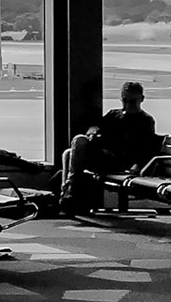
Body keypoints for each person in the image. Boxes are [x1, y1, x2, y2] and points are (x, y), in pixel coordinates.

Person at [59, 80, 162, 212]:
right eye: (124, 100)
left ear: (141, 99)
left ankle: (70, 191)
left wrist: (138, 165)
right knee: (70, 152)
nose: (127, 105)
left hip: (120, 160)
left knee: (77, 145)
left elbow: (147, 147)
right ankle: (69, 193)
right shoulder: (114, 115)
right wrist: (93, 133)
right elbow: (96, 126)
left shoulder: (145, 121)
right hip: (104, 156)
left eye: (132, 101)